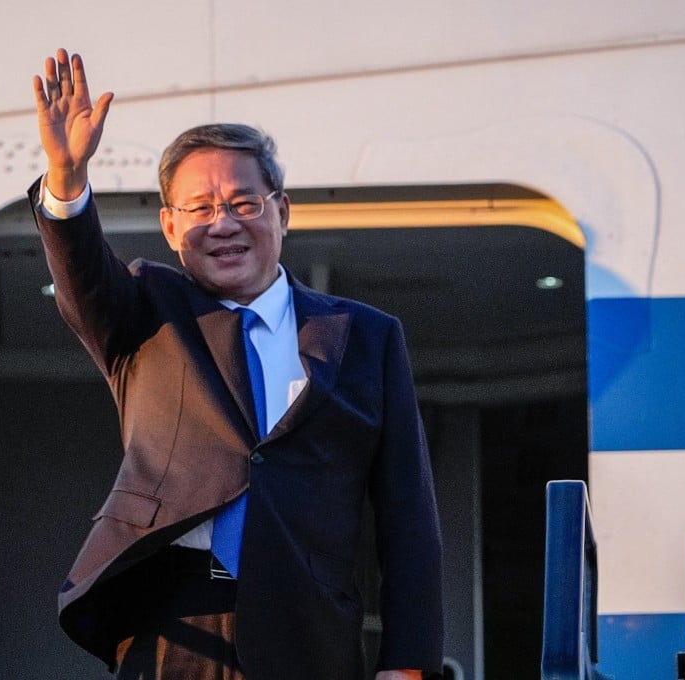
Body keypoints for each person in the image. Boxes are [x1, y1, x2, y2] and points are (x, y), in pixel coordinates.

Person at [28, 48, 443, 680]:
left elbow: (407, 514)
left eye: (244, 203)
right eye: (199, 208)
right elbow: (82, 274)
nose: (222, 224)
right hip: (174, 625)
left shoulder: (367, 336)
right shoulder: (143, 311)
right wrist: (65, 177)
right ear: (171, 228)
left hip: (309, 629)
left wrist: (407, 663)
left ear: (283, 212)